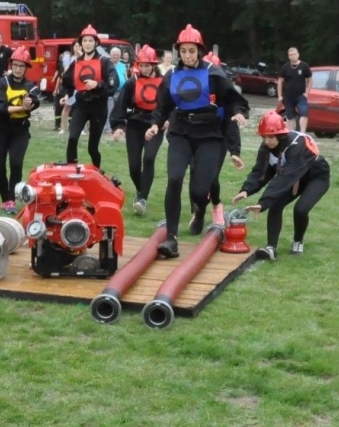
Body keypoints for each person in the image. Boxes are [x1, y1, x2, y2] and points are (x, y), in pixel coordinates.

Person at [145, 24, 249, 257]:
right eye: (183, 51)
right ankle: (171, 239)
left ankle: (200, 209)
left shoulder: (214, 73)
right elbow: (162, 106)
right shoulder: (172, 75)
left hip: (210, 135)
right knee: (174, 179)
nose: (188, 56)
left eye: (192, 51)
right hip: (181, 132)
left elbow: (233, 99)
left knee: (200, 191)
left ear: (199, 51)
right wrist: (154, 124)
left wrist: (239, 113)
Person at [232, 110, 330, 260]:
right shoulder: (266, 147)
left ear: (280, 134)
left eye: (271, 137)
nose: (267, 141)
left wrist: (263, 202)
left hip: (315, 176)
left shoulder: (297, 144)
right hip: (293, 178)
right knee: (276, 205)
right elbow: (261, 171)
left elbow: (285, 177)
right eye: (264, 136)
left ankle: (298, 241)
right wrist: (246, 190)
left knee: (301, 209)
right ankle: (271, 248)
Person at [111, 44, 167, 215]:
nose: (144, 68)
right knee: (134, 166)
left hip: (155, 124)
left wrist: (168, 120)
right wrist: (119, 126)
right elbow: (121, 104)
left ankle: (142, 198)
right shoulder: (132, 82)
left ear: (153, 65)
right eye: (141, 65)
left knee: (149, 158)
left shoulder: (164, 82)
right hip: (135, 124)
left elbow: (171, 104)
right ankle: (141, 192)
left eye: (147, 65)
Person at [0, 45, 41, 211]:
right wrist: (21, 108)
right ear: (11, 65)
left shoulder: (30, 86)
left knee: (16, 163)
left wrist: (30, 103)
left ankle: (11, 199)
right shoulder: (2, 83)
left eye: (22, 66)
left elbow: (35, 99)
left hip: (20, 131)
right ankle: (5, 198)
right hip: (0, 130)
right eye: (15, 65)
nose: (18, 69)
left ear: (26, 68)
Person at [58, 24, 116, 169]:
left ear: (96, 43)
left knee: (92, 147)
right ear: (81, 43)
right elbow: (67, 82)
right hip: (81, 105)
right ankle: (72, 169)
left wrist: (98, 84)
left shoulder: (104, 61)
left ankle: (97, 171)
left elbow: (113, 84)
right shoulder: (76, 62)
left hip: (98, 106)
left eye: (90, 41)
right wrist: (66, 94)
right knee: (72, 138)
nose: (87, 44)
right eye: (85, 41)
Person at [276, 46, 312, 133]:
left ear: (298, 54)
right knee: (290, 117)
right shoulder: (285, 67)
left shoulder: (304, 66)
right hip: (288, 97)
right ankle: (291, 134)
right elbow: (280, 81)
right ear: (288, 56)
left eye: (294, 54)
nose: (293, 56)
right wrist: (280, 95)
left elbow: (310, 79)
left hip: (301, 95)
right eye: (291, 55)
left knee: (304, 113)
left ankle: (302, 134)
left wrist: (307, 93)